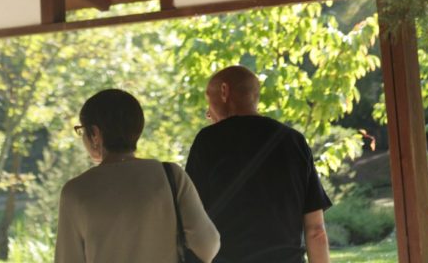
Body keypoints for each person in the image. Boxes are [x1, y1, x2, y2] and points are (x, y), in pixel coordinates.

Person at [55, 88, 220, 263]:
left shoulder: (76, 191)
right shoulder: (170, 175)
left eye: (82, 130)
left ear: (95, 133)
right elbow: (207, 245)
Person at [186, 65, 332, 263]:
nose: (208, 113)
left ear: (224, 91)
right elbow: (316, 231)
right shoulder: (294, 141)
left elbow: (191, 220)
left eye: (208, 100)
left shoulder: (208, 141)